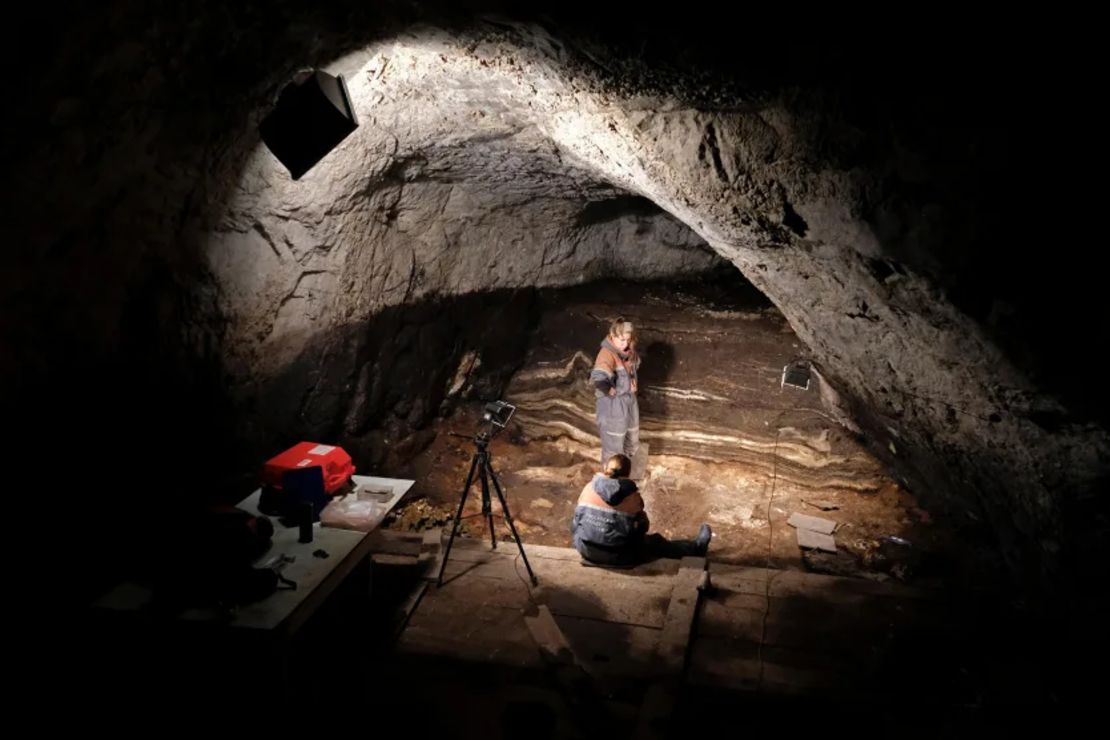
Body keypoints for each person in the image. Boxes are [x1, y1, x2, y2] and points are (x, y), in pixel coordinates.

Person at [570, 453, 711, 566]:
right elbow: (643, 527)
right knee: (655, 542)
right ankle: (696, 548)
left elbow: (576, 523)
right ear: (627, 474)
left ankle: (597, 547)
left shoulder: (588, 488)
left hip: (586, 551)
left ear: (606, 467)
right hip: (620, 557)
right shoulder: (632, 497)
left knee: (580, 519)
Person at [591, 317, 641, 467]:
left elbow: (632, 367)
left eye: (627, 339)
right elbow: (600, 381)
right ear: (612, 335)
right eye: (621, 340)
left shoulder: (628, 351)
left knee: (632, 439)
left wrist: (632, 382)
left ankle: (628, 476)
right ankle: (611, 483)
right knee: (614, 446)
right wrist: (619, 390)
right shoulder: (606, 354)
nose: (624, 343)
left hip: (629, 401)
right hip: (613, 406)